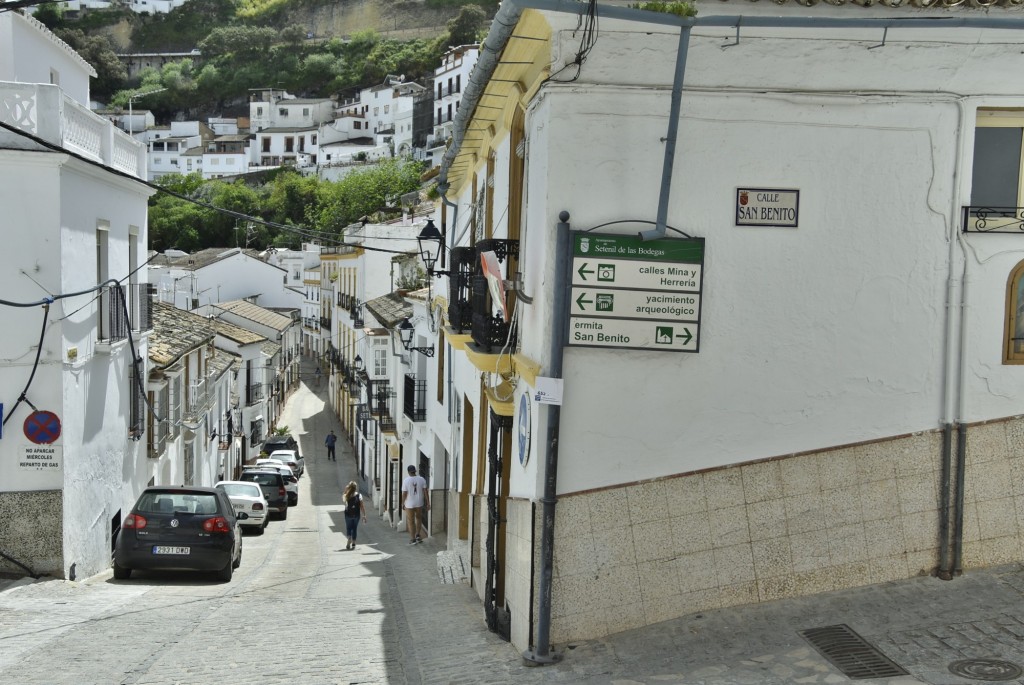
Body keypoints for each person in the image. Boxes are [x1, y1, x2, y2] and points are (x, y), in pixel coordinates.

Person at [401, 464, 429, 544]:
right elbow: (425, 492)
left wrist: (402, 503)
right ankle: (418, 535)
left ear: (408, 472)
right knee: (419, 519)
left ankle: (413, 538)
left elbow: (404, 493)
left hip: (409, 504)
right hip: (419, 503)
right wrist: (428, 503)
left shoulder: (406, 480)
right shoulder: (422, 479)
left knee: (411, 521)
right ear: (415, 471)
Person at [342, 481, 367, 550]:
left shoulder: (347, 495)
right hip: (356, 515)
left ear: (349, 487)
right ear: (356, 488)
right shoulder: (359, 495)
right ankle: (353, 543)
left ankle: (349, 537)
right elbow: (362, 506)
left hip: (348, 514)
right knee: (354, 528)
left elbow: (343, 500)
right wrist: (364, 515)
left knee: (349, 528)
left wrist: (346, 490)